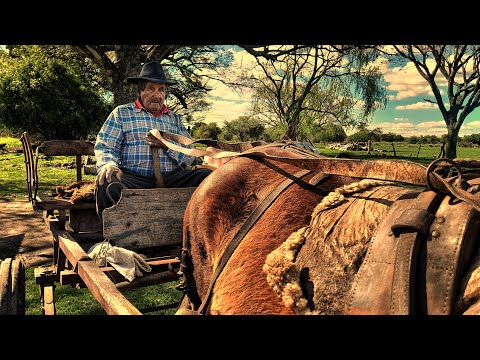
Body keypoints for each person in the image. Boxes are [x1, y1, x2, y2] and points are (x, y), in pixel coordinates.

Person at [94, 61, 212, 220]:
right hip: (135, 178)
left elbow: (189, 155)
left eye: (161, 90)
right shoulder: (122, 113)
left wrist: (167, 146)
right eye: (151, 88)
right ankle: (113, 237)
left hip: (172, 178)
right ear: (140, 90)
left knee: (206, 177)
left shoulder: (174, 119)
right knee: (107, 183)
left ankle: (200, 232)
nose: (157, 95)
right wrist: (109, 164)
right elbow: (105, 145)